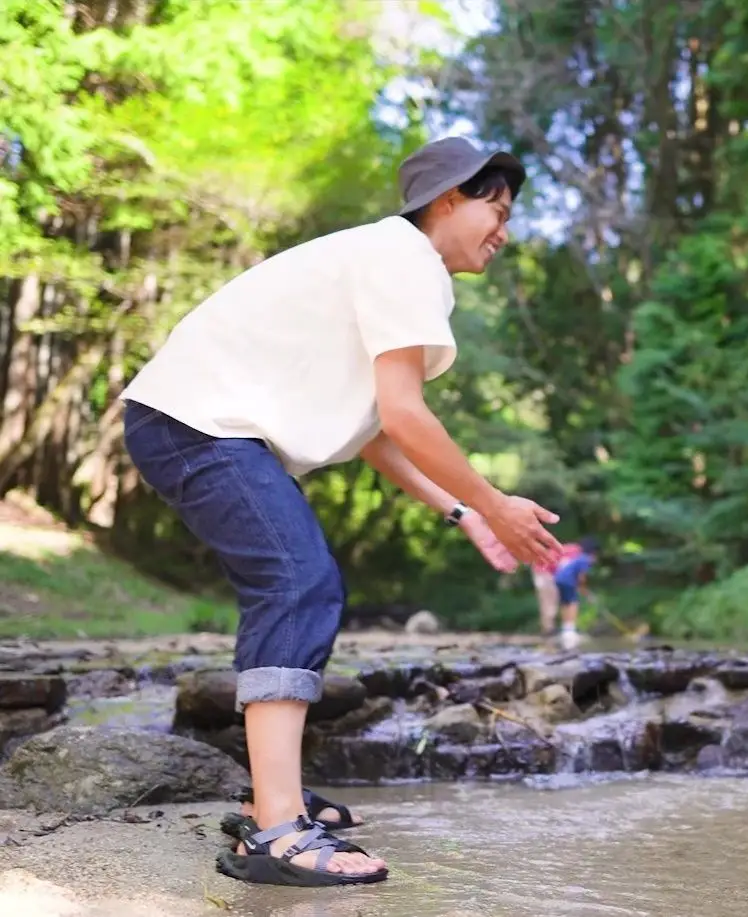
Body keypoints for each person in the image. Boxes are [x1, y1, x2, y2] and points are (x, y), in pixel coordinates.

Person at [119, 135, 563, 887]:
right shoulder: (404, 257)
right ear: (447, 199)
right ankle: (277, 831)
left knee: (301, 582)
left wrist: (465, 513)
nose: (504, 231)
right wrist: (494, 500)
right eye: (496, 208)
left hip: (196, 424)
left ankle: (273, 801)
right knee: (297, 583)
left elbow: (379, 431)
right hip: (196, 423)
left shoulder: (393, 263)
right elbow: (407, 415)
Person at [553, 536, 600, 649]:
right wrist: (584, 590)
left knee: (565, 603)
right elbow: (581, 577)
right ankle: (570, 631)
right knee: (573, 603)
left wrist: (582, 589)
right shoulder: (586, 559)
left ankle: (566, 630)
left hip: (558, 578)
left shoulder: (578, 557)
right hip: (567, 580)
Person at [533, 540, 582, 637]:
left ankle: (550, 628)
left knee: (550, 601)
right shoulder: (575, 552)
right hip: (544, 572)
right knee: (549, 601)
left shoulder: (569, 549)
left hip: (544, 571)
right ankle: (548, 630)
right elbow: (566, 567)